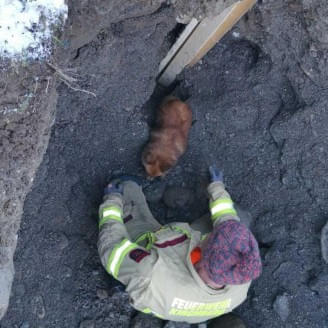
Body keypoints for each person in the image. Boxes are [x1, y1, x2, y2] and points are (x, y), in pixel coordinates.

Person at [97, 166, 262, 326]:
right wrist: (217, 188)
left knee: (125, 188)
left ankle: (121, 279)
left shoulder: (149, 273)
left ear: (205, 254)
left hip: (154, 275)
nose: (213, 234)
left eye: (212, 238)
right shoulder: (241, 275)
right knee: (237, 217)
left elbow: (111, 247)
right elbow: (229, 227)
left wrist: (111, 202)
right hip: (183, 293)